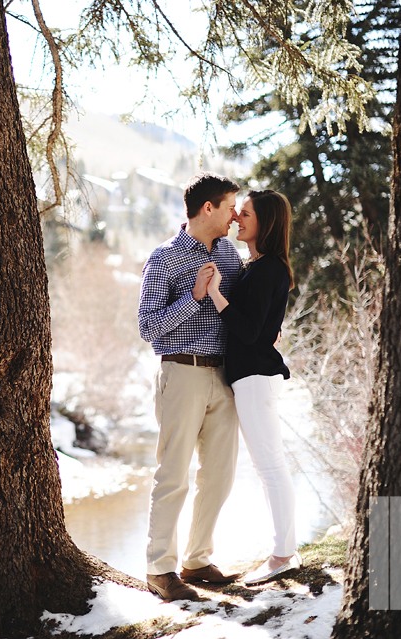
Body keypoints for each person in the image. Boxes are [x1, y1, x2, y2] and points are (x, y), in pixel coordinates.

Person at [138, 172, 244, 601]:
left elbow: (241, 310)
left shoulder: (231, 255)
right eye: (230, 207)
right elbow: (149, 327)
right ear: (208, 208)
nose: (235, 215)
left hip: (225, 376)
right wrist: (194, 296)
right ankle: (159, 569)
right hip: (181, 374)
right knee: (173, 475)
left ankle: (197, 560)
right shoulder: (164, 257)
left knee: (219, 475)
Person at [206, 189, 299, 585]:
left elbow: (247, 331)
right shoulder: (256, 267)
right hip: (251, 378)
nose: (237, 219)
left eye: (245, 213)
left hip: (256, 379)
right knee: (269, 467)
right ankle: (284, 549)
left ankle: (283, 554)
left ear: (266, 222)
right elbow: (262, 327)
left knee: (271, 467)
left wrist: (215, 294)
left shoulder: (268, 269)